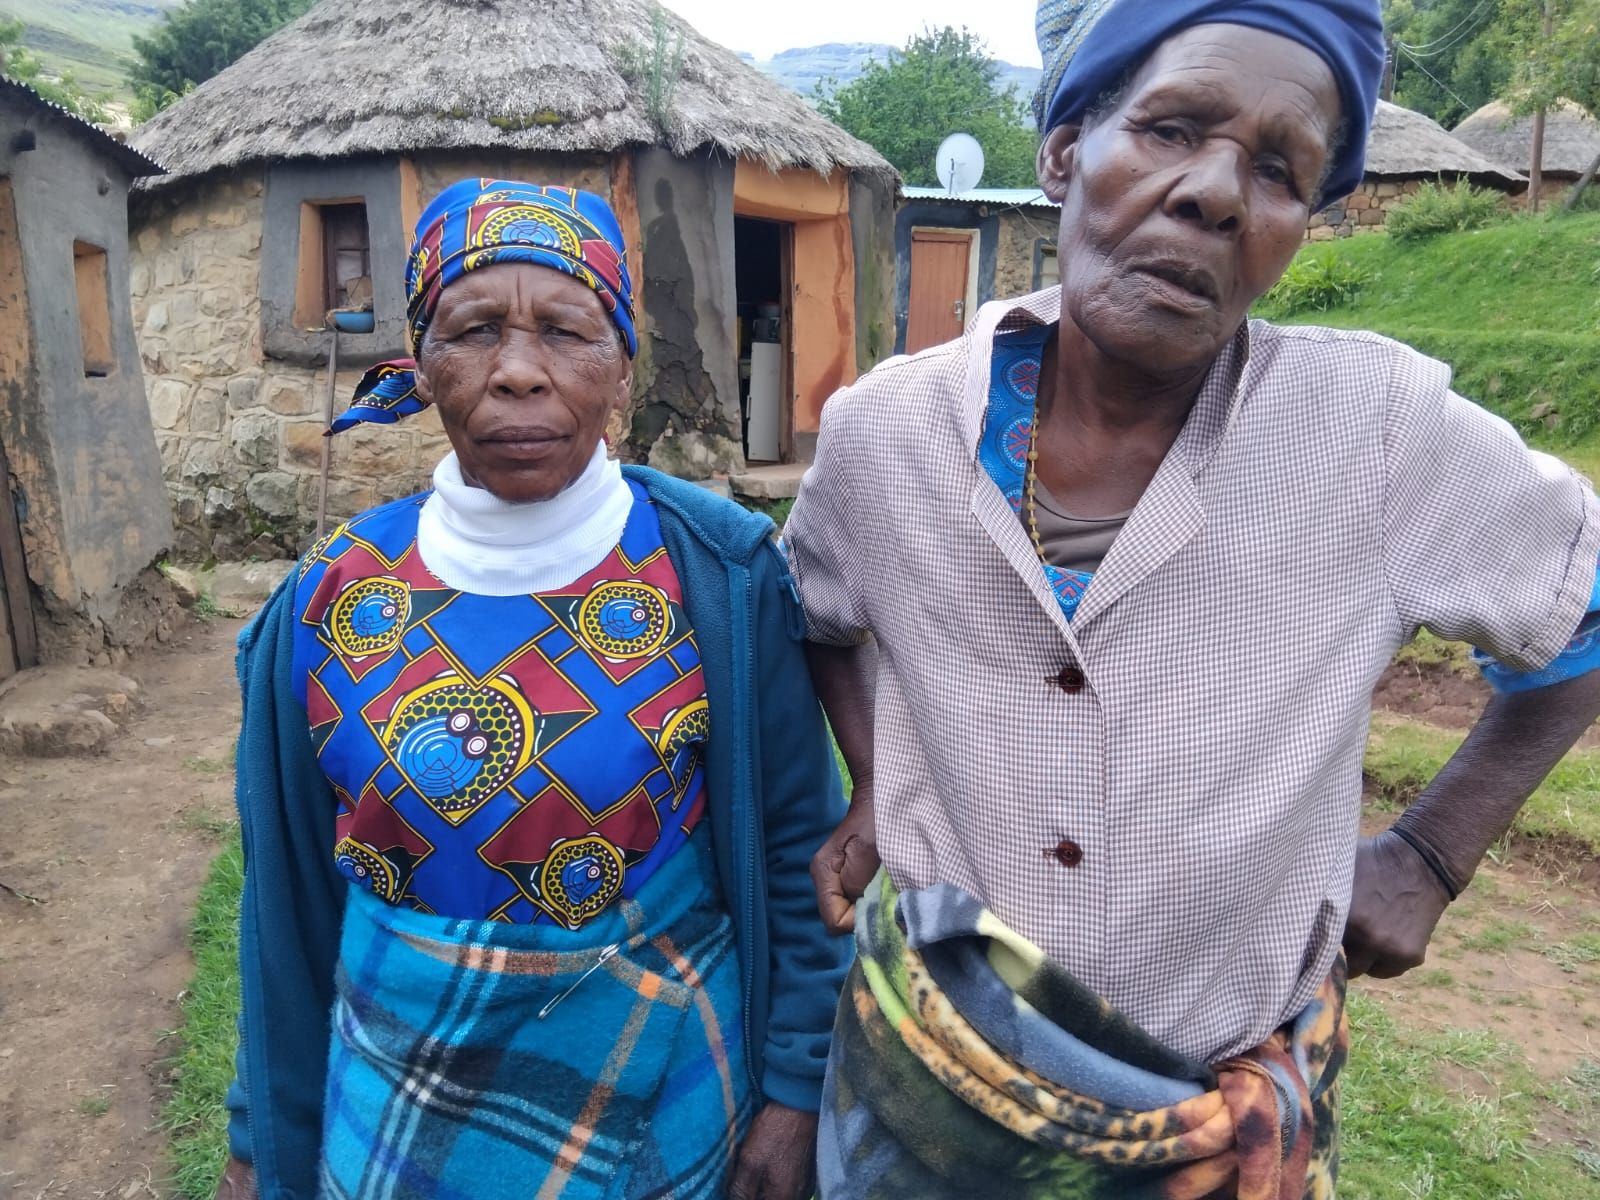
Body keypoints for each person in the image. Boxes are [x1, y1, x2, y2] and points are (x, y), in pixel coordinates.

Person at [783, 2, 1600, 1195]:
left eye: (1278, 172)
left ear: (1298, 229)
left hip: (1218, 1122)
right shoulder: (884, 436)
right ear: (1064, 151)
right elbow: (818, 610)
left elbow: (1584, 610)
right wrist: (873, 779)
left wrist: (1431, 854)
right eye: (1169, 129)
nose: (1215, 193)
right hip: (930, 1085)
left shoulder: (1376, 437)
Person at [213, 180, 847, 1200]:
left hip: (660, 1090)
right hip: (400, 1099)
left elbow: (794, 843)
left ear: (621, 363)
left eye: (565, 330)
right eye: (473, 332)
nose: (517, 371)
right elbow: (282, 907)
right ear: (421, 363)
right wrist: (258, 1140)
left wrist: (795, 1090)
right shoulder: (329, 597)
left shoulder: (717, 574)